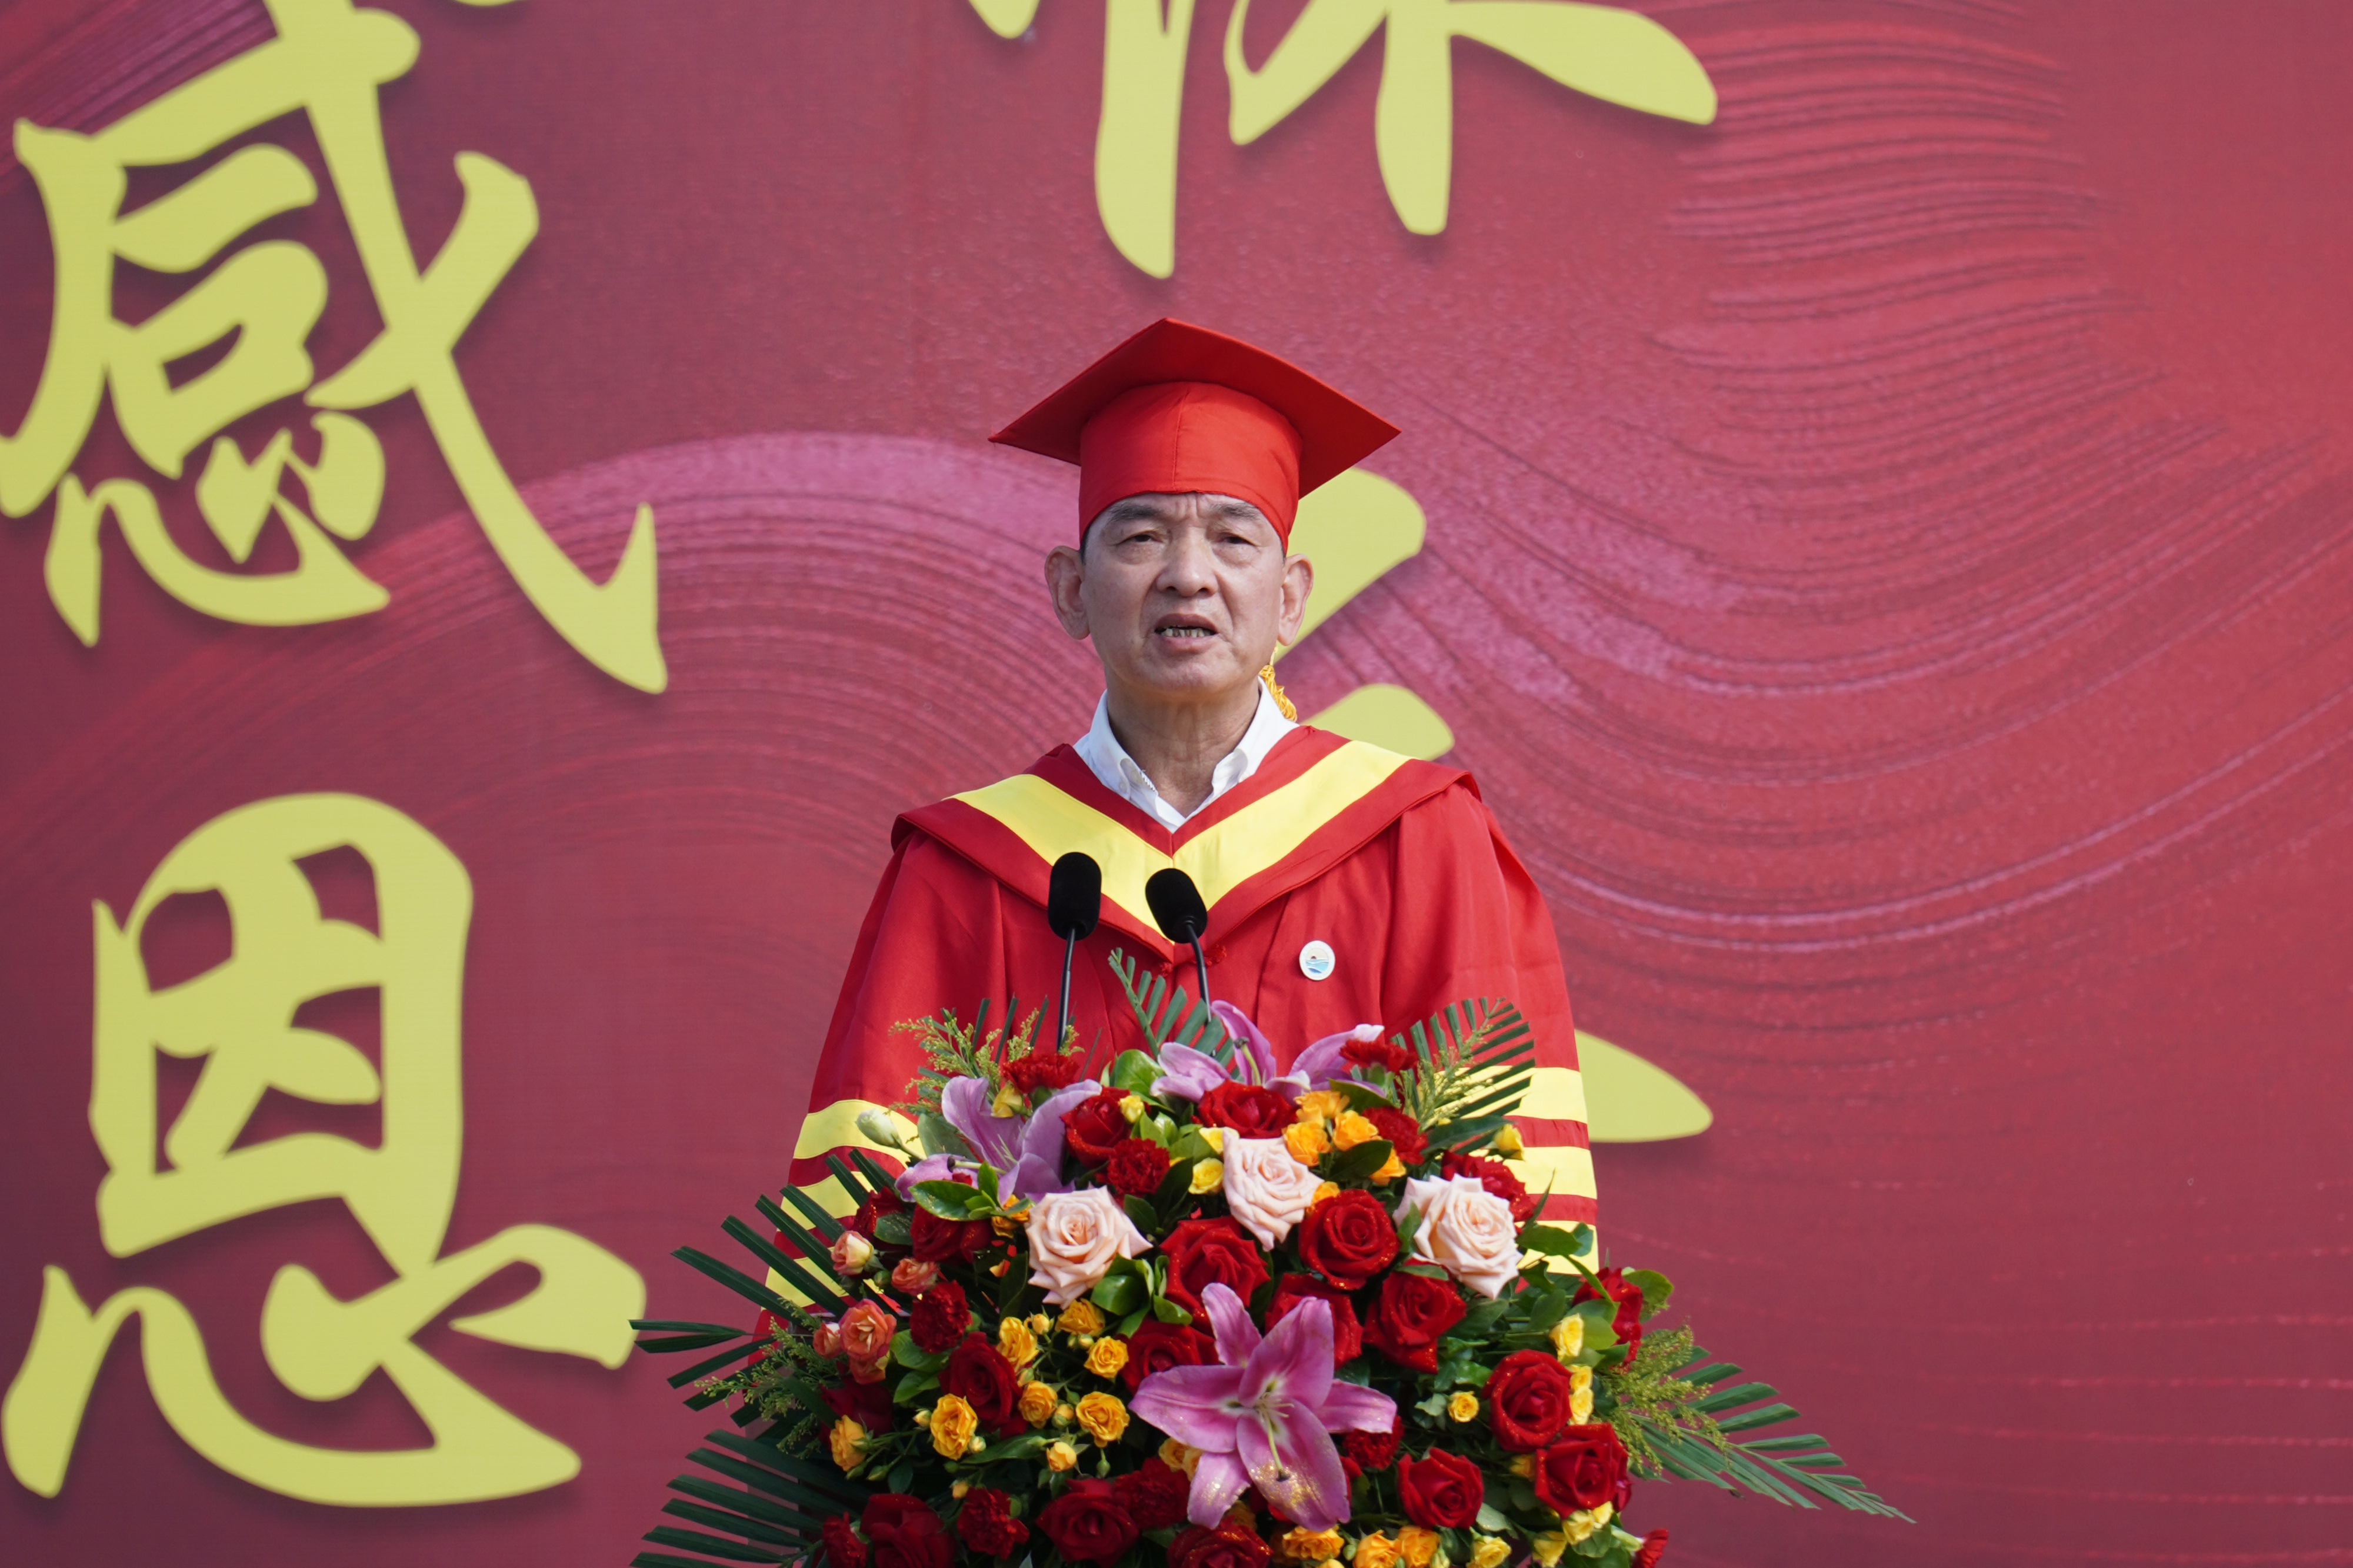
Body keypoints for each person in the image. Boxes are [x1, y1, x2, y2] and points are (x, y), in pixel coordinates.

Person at [788, 319, 1594, 1227]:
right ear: (1070, 590)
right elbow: (871, 1220)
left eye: (1233, 538)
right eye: (1141, 537)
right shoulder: (965, 867)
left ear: (1289, 597)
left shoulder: (1421, 840)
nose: (1188, 575)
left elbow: (1510, 1201)